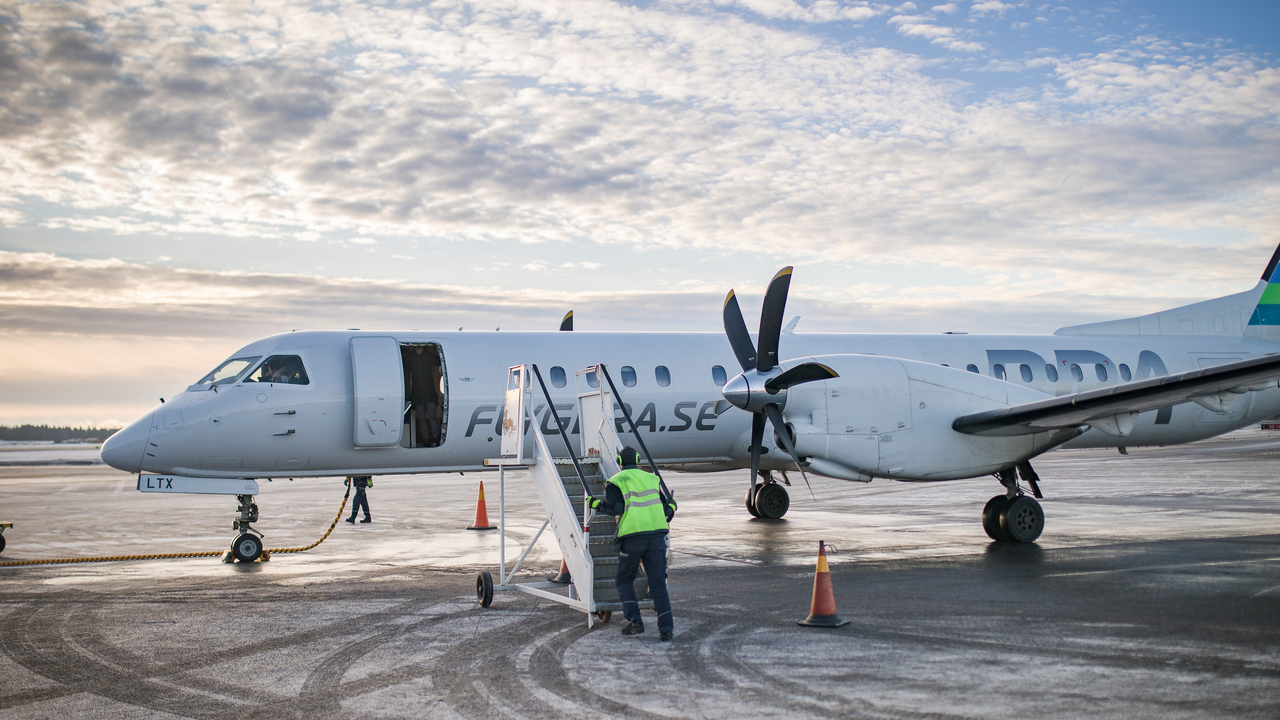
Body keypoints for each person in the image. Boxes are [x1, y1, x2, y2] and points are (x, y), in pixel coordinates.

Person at [588, 446, 677, 641]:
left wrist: (595, 504)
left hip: (633, 537)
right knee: (658, 584)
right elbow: (666, 509)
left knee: (624, 580)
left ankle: (635, 621)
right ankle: (666, 629)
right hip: (656, 537)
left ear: (619, 462)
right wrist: (672, 506)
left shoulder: (616, 481)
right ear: (637, 459)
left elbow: (616, 508)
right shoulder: (652, 479)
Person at [406, 346, 441, 447]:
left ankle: (436, 437)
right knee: (421, 418)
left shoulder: (428, 356)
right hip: (417, 393)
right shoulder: (411, 357)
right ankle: (426, 438)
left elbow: (439, 360)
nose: (418, 349)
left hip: (429, 392)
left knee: (432, 416)